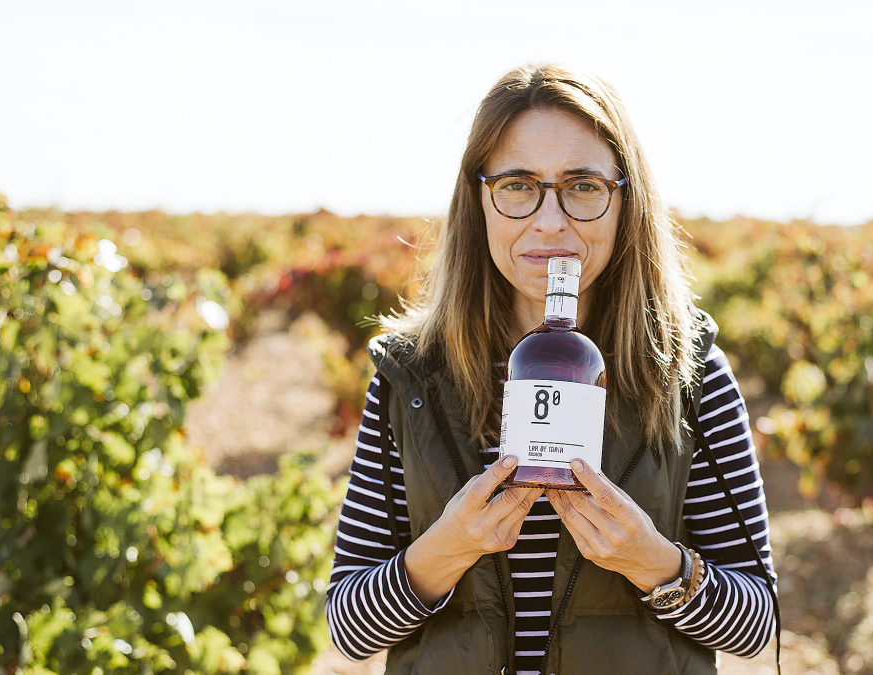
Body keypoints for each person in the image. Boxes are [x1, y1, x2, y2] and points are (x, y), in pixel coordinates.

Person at [325, 63, 777, 675]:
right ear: (478, 198)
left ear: (626, 201)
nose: (550, 220)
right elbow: (348, 629)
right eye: (517, 184)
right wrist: (445, 551)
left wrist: (653, 563)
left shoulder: (687, 372)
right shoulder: (413, 378)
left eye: (584, 185)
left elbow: (758, 625)